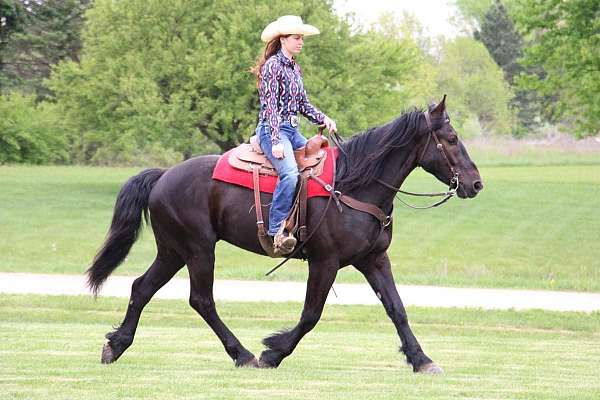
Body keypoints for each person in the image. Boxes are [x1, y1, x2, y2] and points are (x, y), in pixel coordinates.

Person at [251, 15, 337, 255]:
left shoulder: (294, 68)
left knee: (324, 162)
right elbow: (269, 106)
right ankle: (276, 231)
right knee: (289, 173)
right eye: (296, 38)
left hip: (292, 130)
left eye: (301, 38)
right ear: (283, 40)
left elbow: (303, 104)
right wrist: (276, 140)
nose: (301, 42)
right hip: (272, 130)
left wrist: (324, 119)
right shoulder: (272, 66)